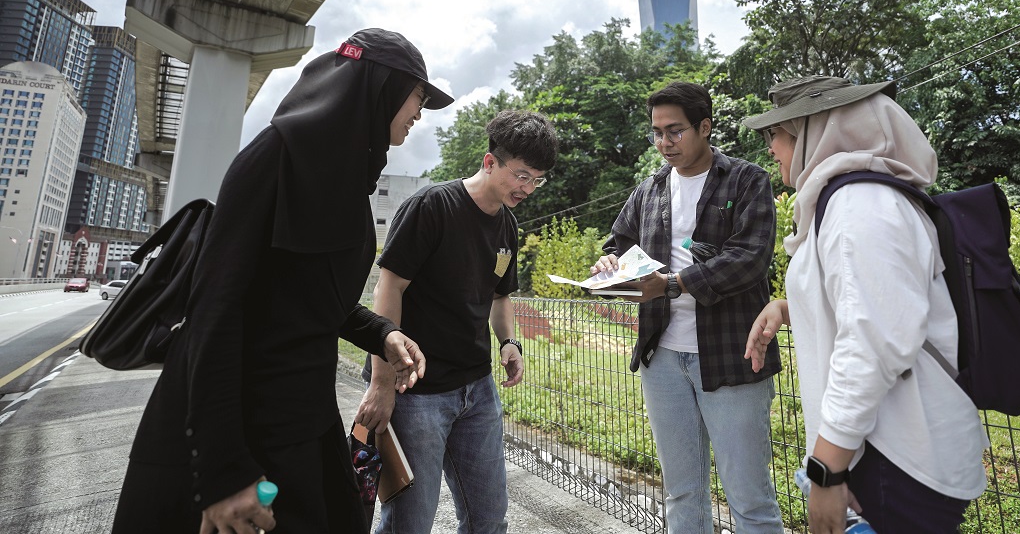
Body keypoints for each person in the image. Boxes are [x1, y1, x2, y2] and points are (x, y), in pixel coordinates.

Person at [112, 29, 451, 534]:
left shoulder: (349, 182)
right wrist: (225, 472)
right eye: (417, 98)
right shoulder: (273, 158)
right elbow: (215, 313)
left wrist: (381, 333)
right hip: (240, 432)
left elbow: (307, 299)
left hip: (303, 421)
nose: (419, 113)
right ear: (379, 86)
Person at [742, 76, 988, 534]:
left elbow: (875, 342)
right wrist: (787, 306)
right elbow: (871, 303)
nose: (770, 147)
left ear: (811, 130)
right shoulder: (853, 198)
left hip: (897, 461)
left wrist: (827, 469)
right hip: (884, 452)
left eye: (774, 133)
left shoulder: (861, 204)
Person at [591, 81, 784, 534]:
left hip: (732, 354)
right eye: (657, 133)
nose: (664, 143)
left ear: (705, 127)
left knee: (749, 497)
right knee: (681, 492)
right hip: (663, 360)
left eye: (674, 131)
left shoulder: (746, 179)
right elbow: (619, 245)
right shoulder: (651, 188)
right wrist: (609, 263)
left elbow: (750, 258)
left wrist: (672, 285)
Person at [355, 110, 558, 534]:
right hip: (417, 389)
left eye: (536, 179)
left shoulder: (508, 225)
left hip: (477, 390)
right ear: (489, 162)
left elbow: (500, 297)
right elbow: (387, 290)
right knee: (410, 522)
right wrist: (381, 382)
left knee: (488, 520)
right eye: (520, 175)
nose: (527, 188)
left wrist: (509, 343)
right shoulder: (432, 206)